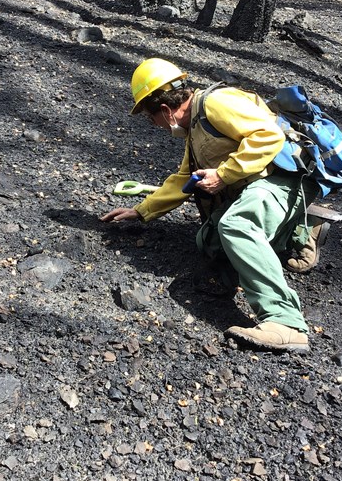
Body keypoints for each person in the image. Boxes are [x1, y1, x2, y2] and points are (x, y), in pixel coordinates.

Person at [101, 58, 328, 354]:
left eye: (149, 117)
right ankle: (299, 229)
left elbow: (268, 136)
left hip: (281, 183)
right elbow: (185, 178)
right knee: (207, 240)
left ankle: (286, 322)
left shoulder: (216, 104)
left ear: (166, 110)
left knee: (236, 225)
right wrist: (142, 211)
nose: (153, 124)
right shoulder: (195, 125)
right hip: (255, 189)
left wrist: (223, 175)